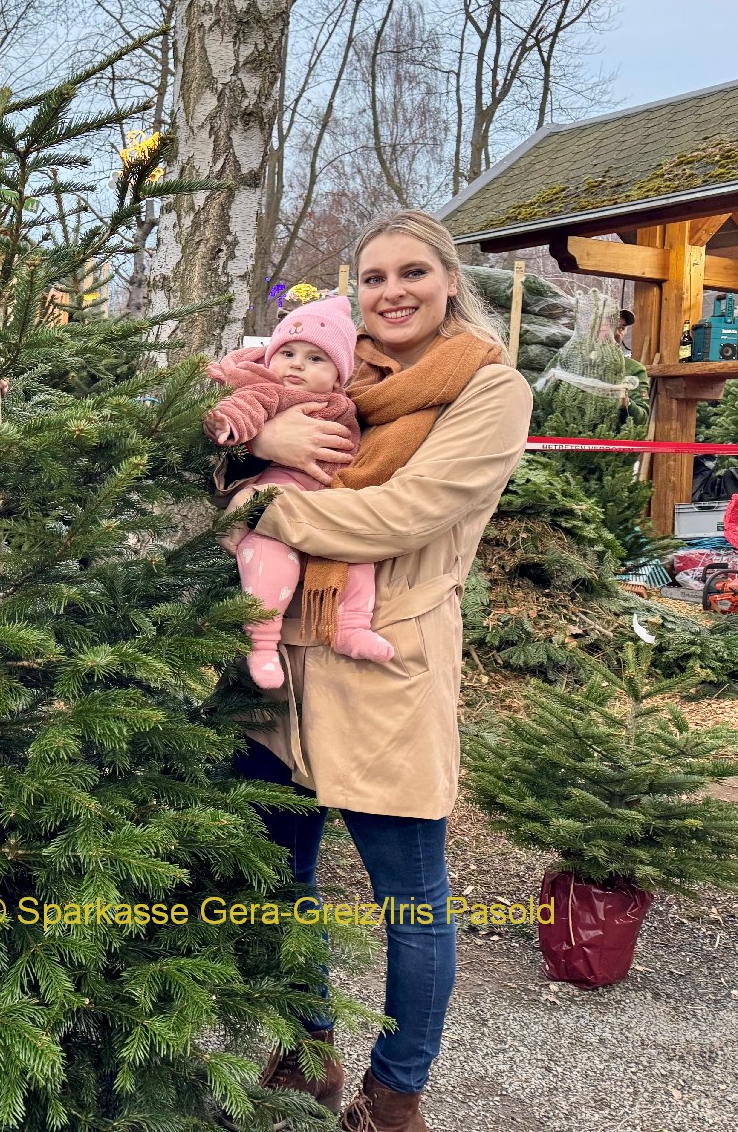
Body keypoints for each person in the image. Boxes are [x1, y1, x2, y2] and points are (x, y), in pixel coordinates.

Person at [215, 209, 531, 1132]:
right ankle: (306, 1049)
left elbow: (408, 514)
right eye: (374, 276)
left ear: (447, 281)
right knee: (279, 876)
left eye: (412, 274)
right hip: (275, 663)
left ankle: (394, 1097)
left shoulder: (486, 386)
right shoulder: (316, 368)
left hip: (384, 655)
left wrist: (265, 511)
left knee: (412, 898)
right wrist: (261, 445)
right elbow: (211, 442)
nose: (392, 292)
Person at [204, 294, 394, 687]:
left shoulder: (347, 405)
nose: (296, 365)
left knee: (358, 561)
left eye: (315, 359)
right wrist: (233, 429)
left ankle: (351, 626)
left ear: (339, 377)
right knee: (271, 559)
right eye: (287, 352)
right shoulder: (274, 391)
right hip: (279, 493)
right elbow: (246, 408)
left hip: (331, 500)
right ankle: (262, 644)